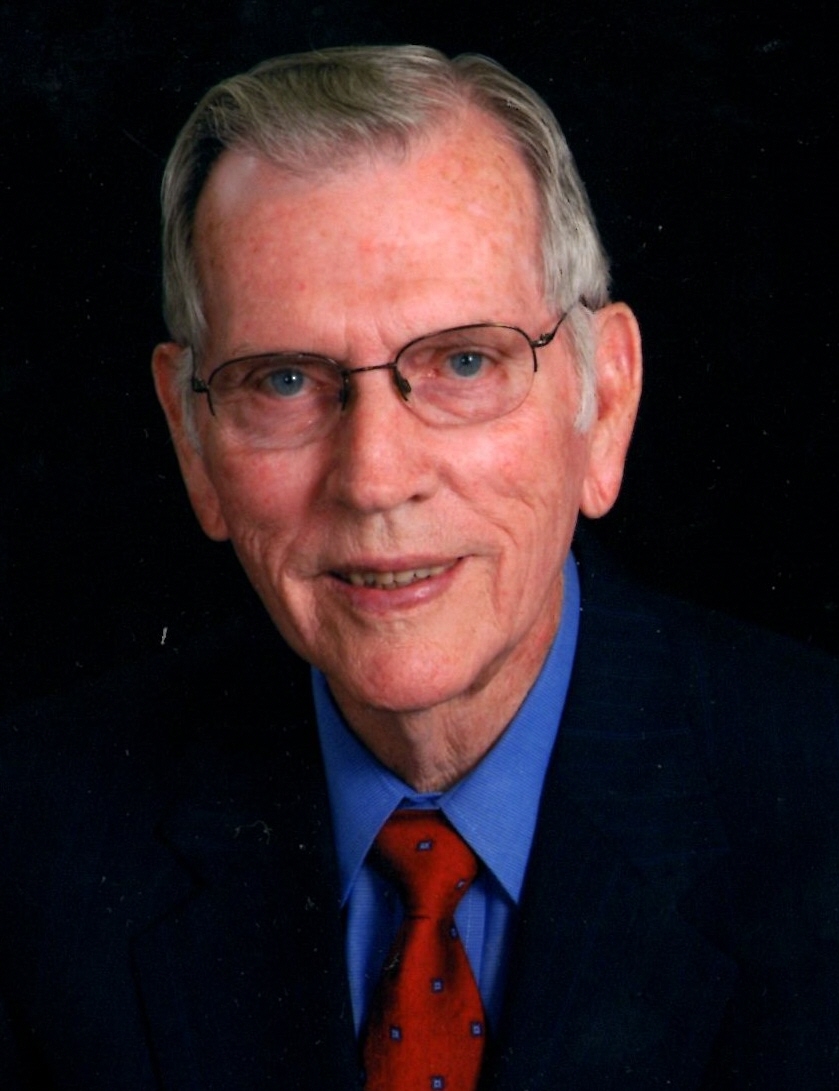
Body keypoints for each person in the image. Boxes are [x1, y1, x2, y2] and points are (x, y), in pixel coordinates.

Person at [1, 44, 837, 1090]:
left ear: (605, 404)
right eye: (285, 380)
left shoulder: (815, 795)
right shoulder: (32, 841)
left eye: (463, 362)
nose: (373, 478)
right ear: (190, 436)